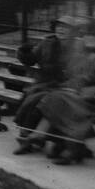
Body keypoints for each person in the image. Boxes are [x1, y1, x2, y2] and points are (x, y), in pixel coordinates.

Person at [28, 19, 95, 163]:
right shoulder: (84, 57)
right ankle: (64, 145)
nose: (88, 39)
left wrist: (83, 92)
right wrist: (70, 87)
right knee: (57, 97)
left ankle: (59, 143)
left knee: (61, 100)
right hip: (81, 99)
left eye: (93, 36)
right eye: (86, 35)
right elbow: (79, 79)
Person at [12, 17, 77, 153]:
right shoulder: (47, 43)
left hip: (62, 85)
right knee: (29, 96)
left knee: (37, 100)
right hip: (43, 83)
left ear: (72, 31)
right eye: (59, 27)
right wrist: (24, 52)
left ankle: (29, 138)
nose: (61, 30)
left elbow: (77, 72)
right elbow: (31, 60)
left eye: (65, 28)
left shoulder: (75, 47)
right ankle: (26, 137)